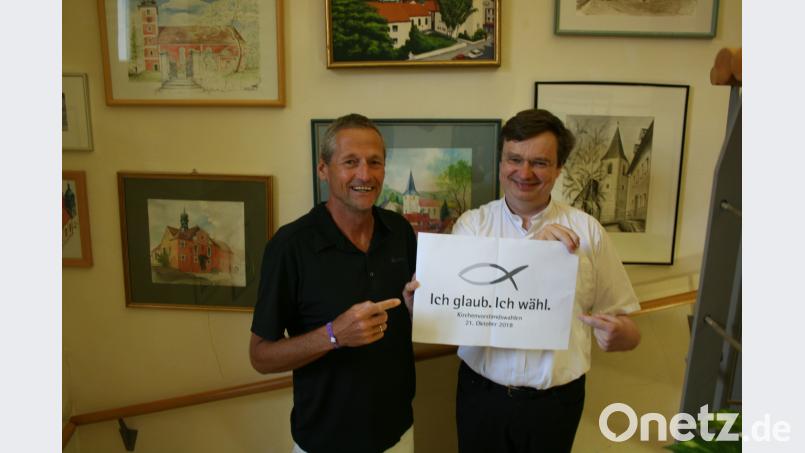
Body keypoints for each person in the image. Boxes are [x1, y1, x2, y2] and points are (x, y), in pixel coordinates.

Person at [411, 108, 642, 453]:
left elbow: (628, 328)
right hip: (482, 398)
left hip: (556, 405)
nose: (524, 172)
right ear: (501, 162)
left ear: (559, 168)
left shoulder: (588, 232)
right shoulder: (472, 227)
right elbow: (448, 317)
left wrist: (620, 334)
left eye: (540, 162)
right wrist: (420, 306)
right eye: (514, 159)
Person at [249, 114, 417, 453]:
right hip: (324, 441)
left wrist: (418, 310)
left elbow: (414, 318)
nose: (364, 175)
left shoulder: (399, 232)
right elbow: (261, 357)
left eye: (374, 162)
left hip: (397, 433)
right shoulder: (290, 246)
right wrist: (333, 335)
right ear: (323, 169)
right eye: (350, 162)